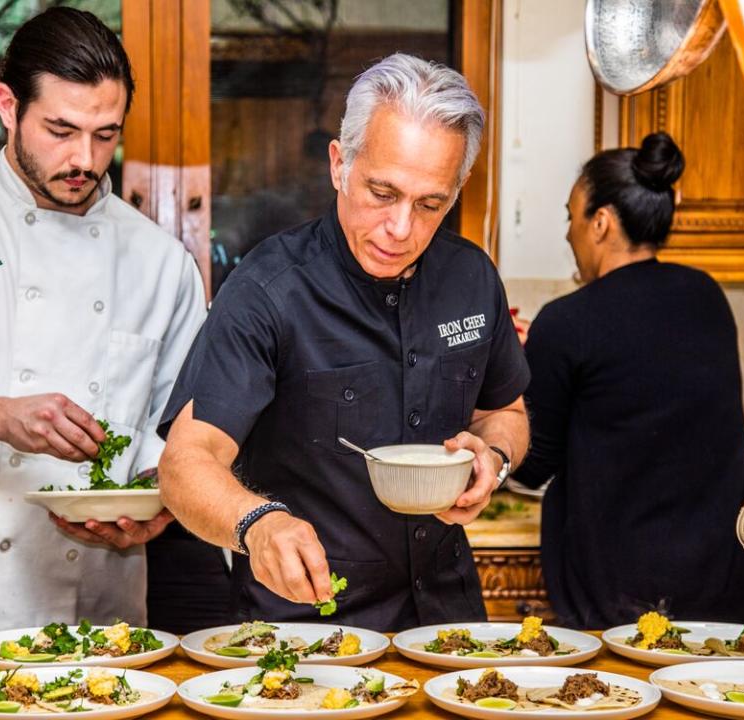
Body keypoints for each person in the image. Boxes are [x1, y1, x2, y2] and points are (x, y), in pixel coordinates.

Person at [157, 54, 530, 631]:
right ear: (339, 165)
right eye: (382, 193)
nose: (401, 228)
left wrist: (495, 458)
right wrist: (258, 522)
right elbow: (185, 464)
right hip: (308, 637)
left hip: (449, 626)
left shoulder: (472, 278)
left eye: (430, 204)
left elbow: (504, 412)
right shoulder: (267, 288)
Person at [0, 7, 206, 634]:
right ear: (8, 106)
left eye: (106, 134)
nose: (84, 158)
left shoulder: (162, 263)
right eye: (60, 130)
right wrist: (0, 417)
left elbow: (179, 433)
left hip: (99, 622)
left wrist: (153, 504)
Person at [512, 132, 744, 628]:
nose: (569, 234)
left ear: (601, 223)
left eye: (572, 218)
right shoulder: (706, 297)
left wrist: (512, 371)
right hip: (726, 584)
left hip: (621, 599)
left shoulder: (567, 322)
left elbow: (531, 466)